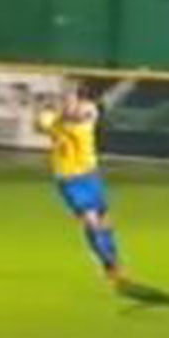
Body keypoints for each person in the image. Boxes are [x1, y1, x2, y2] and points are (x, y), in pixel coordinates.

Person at [33, 78, 137, 295]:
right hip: (69, 180)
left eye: (70, 97)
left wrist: (131, 81)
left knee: (104, 221)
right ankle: (109, 265)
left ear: (78, 97)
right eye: (63, 98)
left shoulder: (88, 111)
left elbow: (101, 105)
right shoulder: (51, 117)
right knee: (91, 222)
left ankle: (113, 260)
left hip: (90, 175)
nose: (66, 101)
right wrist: (55, 118)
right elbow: (39, 125)